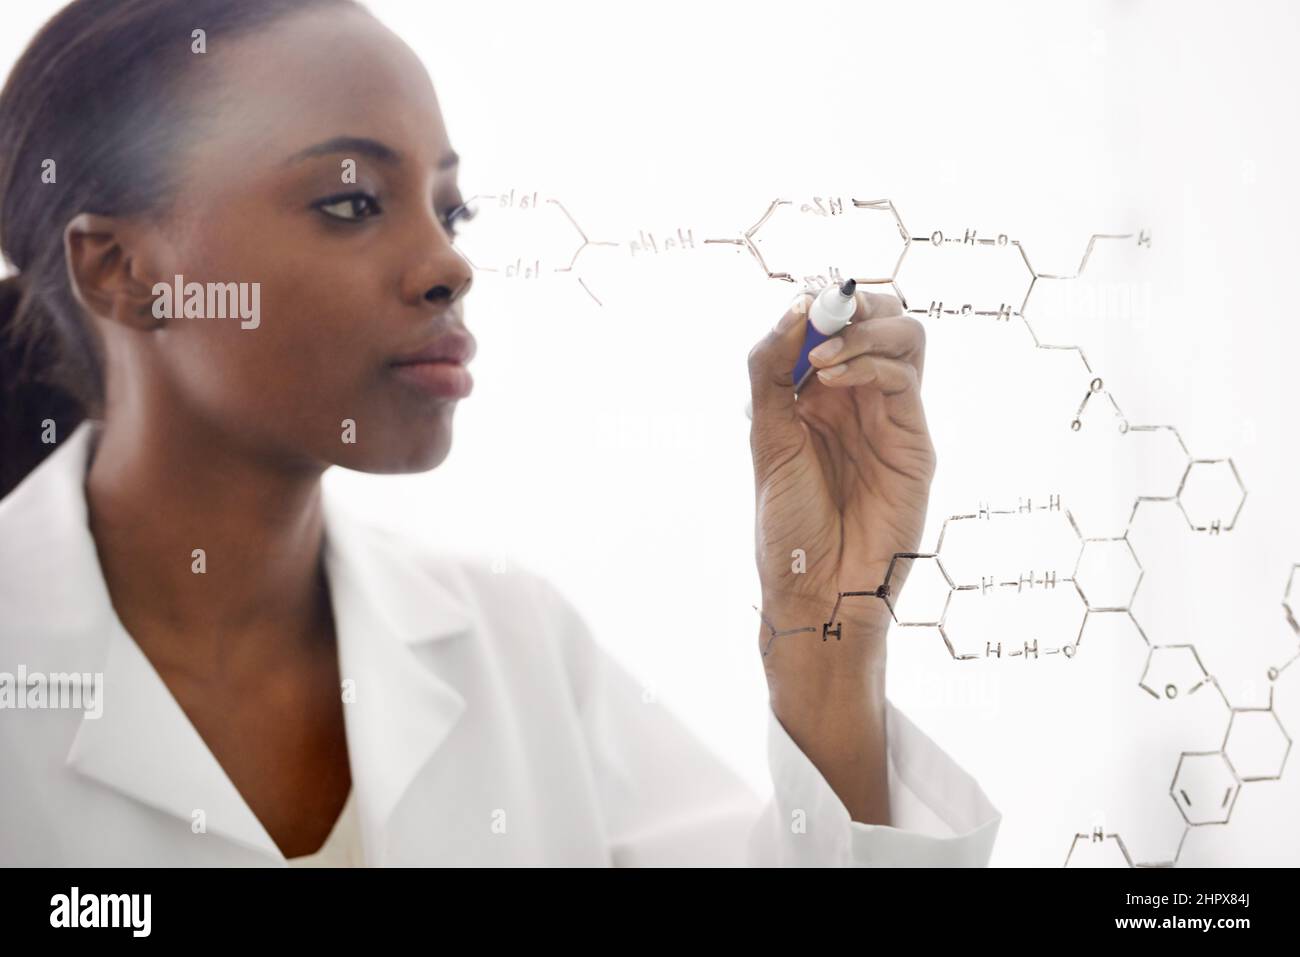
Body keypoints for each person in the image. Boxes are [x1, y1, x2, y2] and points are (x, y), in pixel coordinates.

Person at [0, 0, 1000, 866]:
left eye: (451, 210)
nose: (448, 265)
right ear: (121, 273)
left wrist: (825, 630)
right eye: (351, 201)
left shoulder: (515, 647)